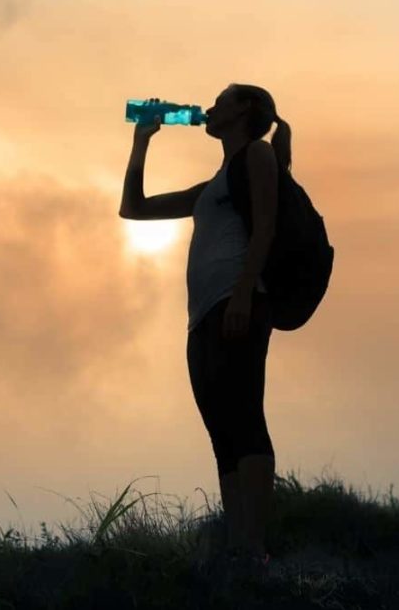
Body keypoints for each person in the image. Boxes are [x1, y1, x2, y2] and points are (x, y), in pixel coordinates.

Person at [118, 83, 291, 570]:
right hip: (203, 318)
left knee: (245, 421)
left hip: (238, 304)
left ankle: (254, 547)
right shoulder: (212, 186)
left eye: (222, 101)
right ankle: (238, 548)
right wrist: (142, 140)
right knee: (222, 432)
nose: (209, 108)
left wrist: (242, 291)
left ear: (246, 111)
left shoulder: (256, 156)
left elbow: (266, 226)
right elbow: (134, 208)